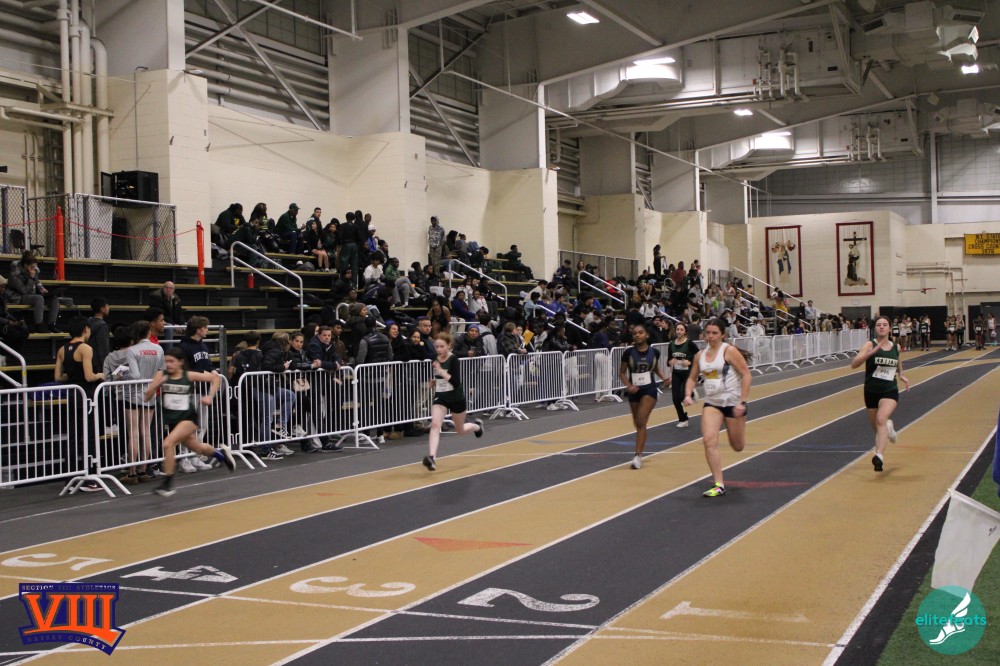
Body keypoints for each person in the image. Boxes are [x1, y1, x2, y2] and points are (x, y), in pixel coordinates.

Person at [144, 348, 235, 496]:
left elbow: (215, 379)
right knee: (198, 448)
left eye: (172, 361)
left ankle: (168, 484)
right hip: (172, 421)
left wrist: (210, 396)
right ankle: (222, 454)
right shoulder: (161, 375)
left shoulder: (189, 375)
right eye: (166, 361)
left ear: (180, 362)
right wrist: (156, 385)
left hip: (188, 419)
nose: (169, 364)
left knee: (168, 444)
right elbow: (147, 397)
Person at [683, 318, 752, 497]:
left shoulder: (729, 351)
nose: (711, 336)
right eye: (708, 333)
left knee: (738, 446)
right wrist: (688, 394)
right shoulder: (700, 355)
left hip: (732, 403)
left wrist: (742, 402)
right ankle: (719, 484)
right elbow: (692, 378)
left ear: (722, 334)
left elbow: (746, 375)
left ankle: (734, 424)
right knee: (708, 440)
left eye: (715, 333)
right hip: (712, 403)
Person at [851, 315, 909, 472]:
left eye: (884, 324)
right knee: (878, 428)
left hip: (889, 390)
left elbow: (898, 360)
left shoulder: (896, 347)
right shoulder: (869, 345)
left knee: (881, 419)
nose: (881, 327)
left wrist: (901, 374)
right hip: (871, 391)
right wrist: (870, 354)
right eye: (878, 325)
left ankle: (879, 456)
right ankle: (889, 427)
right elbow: (854, 364)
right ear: (875, 328)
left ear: (890, 328)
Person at [422, 332, 485, 471]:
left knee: (460, 430)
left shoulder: (453, 359)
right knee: (435, 425)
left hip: (456, 397)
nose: (439, 349)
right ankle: (432, 458)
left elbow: (456, 382)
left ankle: (477, 427)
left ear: (449, 346)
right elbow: (440, 378)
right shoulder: (435, 358)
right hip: (441, 396)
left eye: (442, 346)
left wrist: (441, 372)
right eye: (436, 347)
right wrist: (434, 382)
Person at [619, 323, 668, 470]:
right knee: (639, 424)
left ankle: (637, 456)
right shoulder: (628, 353)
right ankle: (640, 446)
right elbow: (622, 373)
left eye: (640, 333)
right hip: (634, 391)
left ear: (647, 335)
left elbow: (656, 368)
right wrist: (628, 386)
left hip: (649, 389)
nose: (637, 335)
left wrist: (664, 378)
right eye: (635, 333)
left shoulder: (654, 352)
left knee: (641, 420)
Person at [7, 252, 60, 333]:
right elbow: (24, 291)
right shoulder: (14, 275)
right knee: (39, 298)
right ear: (25, 265)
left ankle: (51, 324)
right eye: (31, 267)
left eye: (35, 266)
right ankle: (39, 325)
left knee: (54, 299)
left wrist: (42, 289)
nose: (33, 269)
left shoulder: (33, 271)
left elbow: (37, 282)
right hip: (18, 297)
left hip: (32, 294)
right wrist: (31, 278)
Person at [668, 322, 699, 429]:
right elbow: (668, 360)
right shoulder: (671, 344)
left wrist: (690, 362)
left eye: (681, 329)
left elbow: (699, 355)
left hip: (687, 373)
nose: (679, 331)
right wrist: (671, 361)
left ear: (685, 331)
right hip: (676, 373)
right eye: (677, 329)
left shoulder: (689, 343)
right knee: (675, 399)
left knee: (682, 396)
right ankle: (683, 419)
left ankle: (691, 393)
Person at [0, 275, 29, 351]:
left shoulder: (3, 296)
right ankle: (3, 353)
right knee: (14, 334)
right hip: (2, 323)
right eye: (2, 287)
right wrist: (9, 322)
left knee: (24, 331)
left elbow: (6, 312)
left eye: (4, 287)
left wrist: (15, 321)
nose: (3, 289)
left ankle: (12, 353)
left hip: (4, 322)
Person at [87, 298, 111, 370]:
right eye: (107, 306)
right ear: (102, 309)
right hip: (98, 365)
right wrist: (106, 368)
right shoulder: (102, 326)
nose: (108, 308)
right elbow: (104, 349)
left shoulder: (88, 322)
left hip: (88, 361)